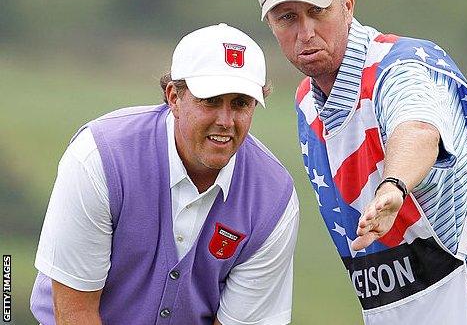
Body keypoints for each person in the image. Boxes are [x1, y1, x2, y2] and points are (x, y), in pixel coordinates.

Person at [257, 0, 467, 324]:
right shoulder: (307, 103)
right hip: (443, 307)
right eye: (286, 17)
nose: (305, 32)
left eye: (317, 11)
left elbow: (418, 128)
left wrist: (394, 185)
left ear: (348, 5)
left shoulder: (401, 66)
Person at [30, 24, 299, 325]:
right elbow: (74, 312)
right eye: (210, 101)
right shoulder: (99, 158)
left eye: (240, 104)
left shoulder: (274, 199)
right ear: (174, 97)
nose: (226, 121)